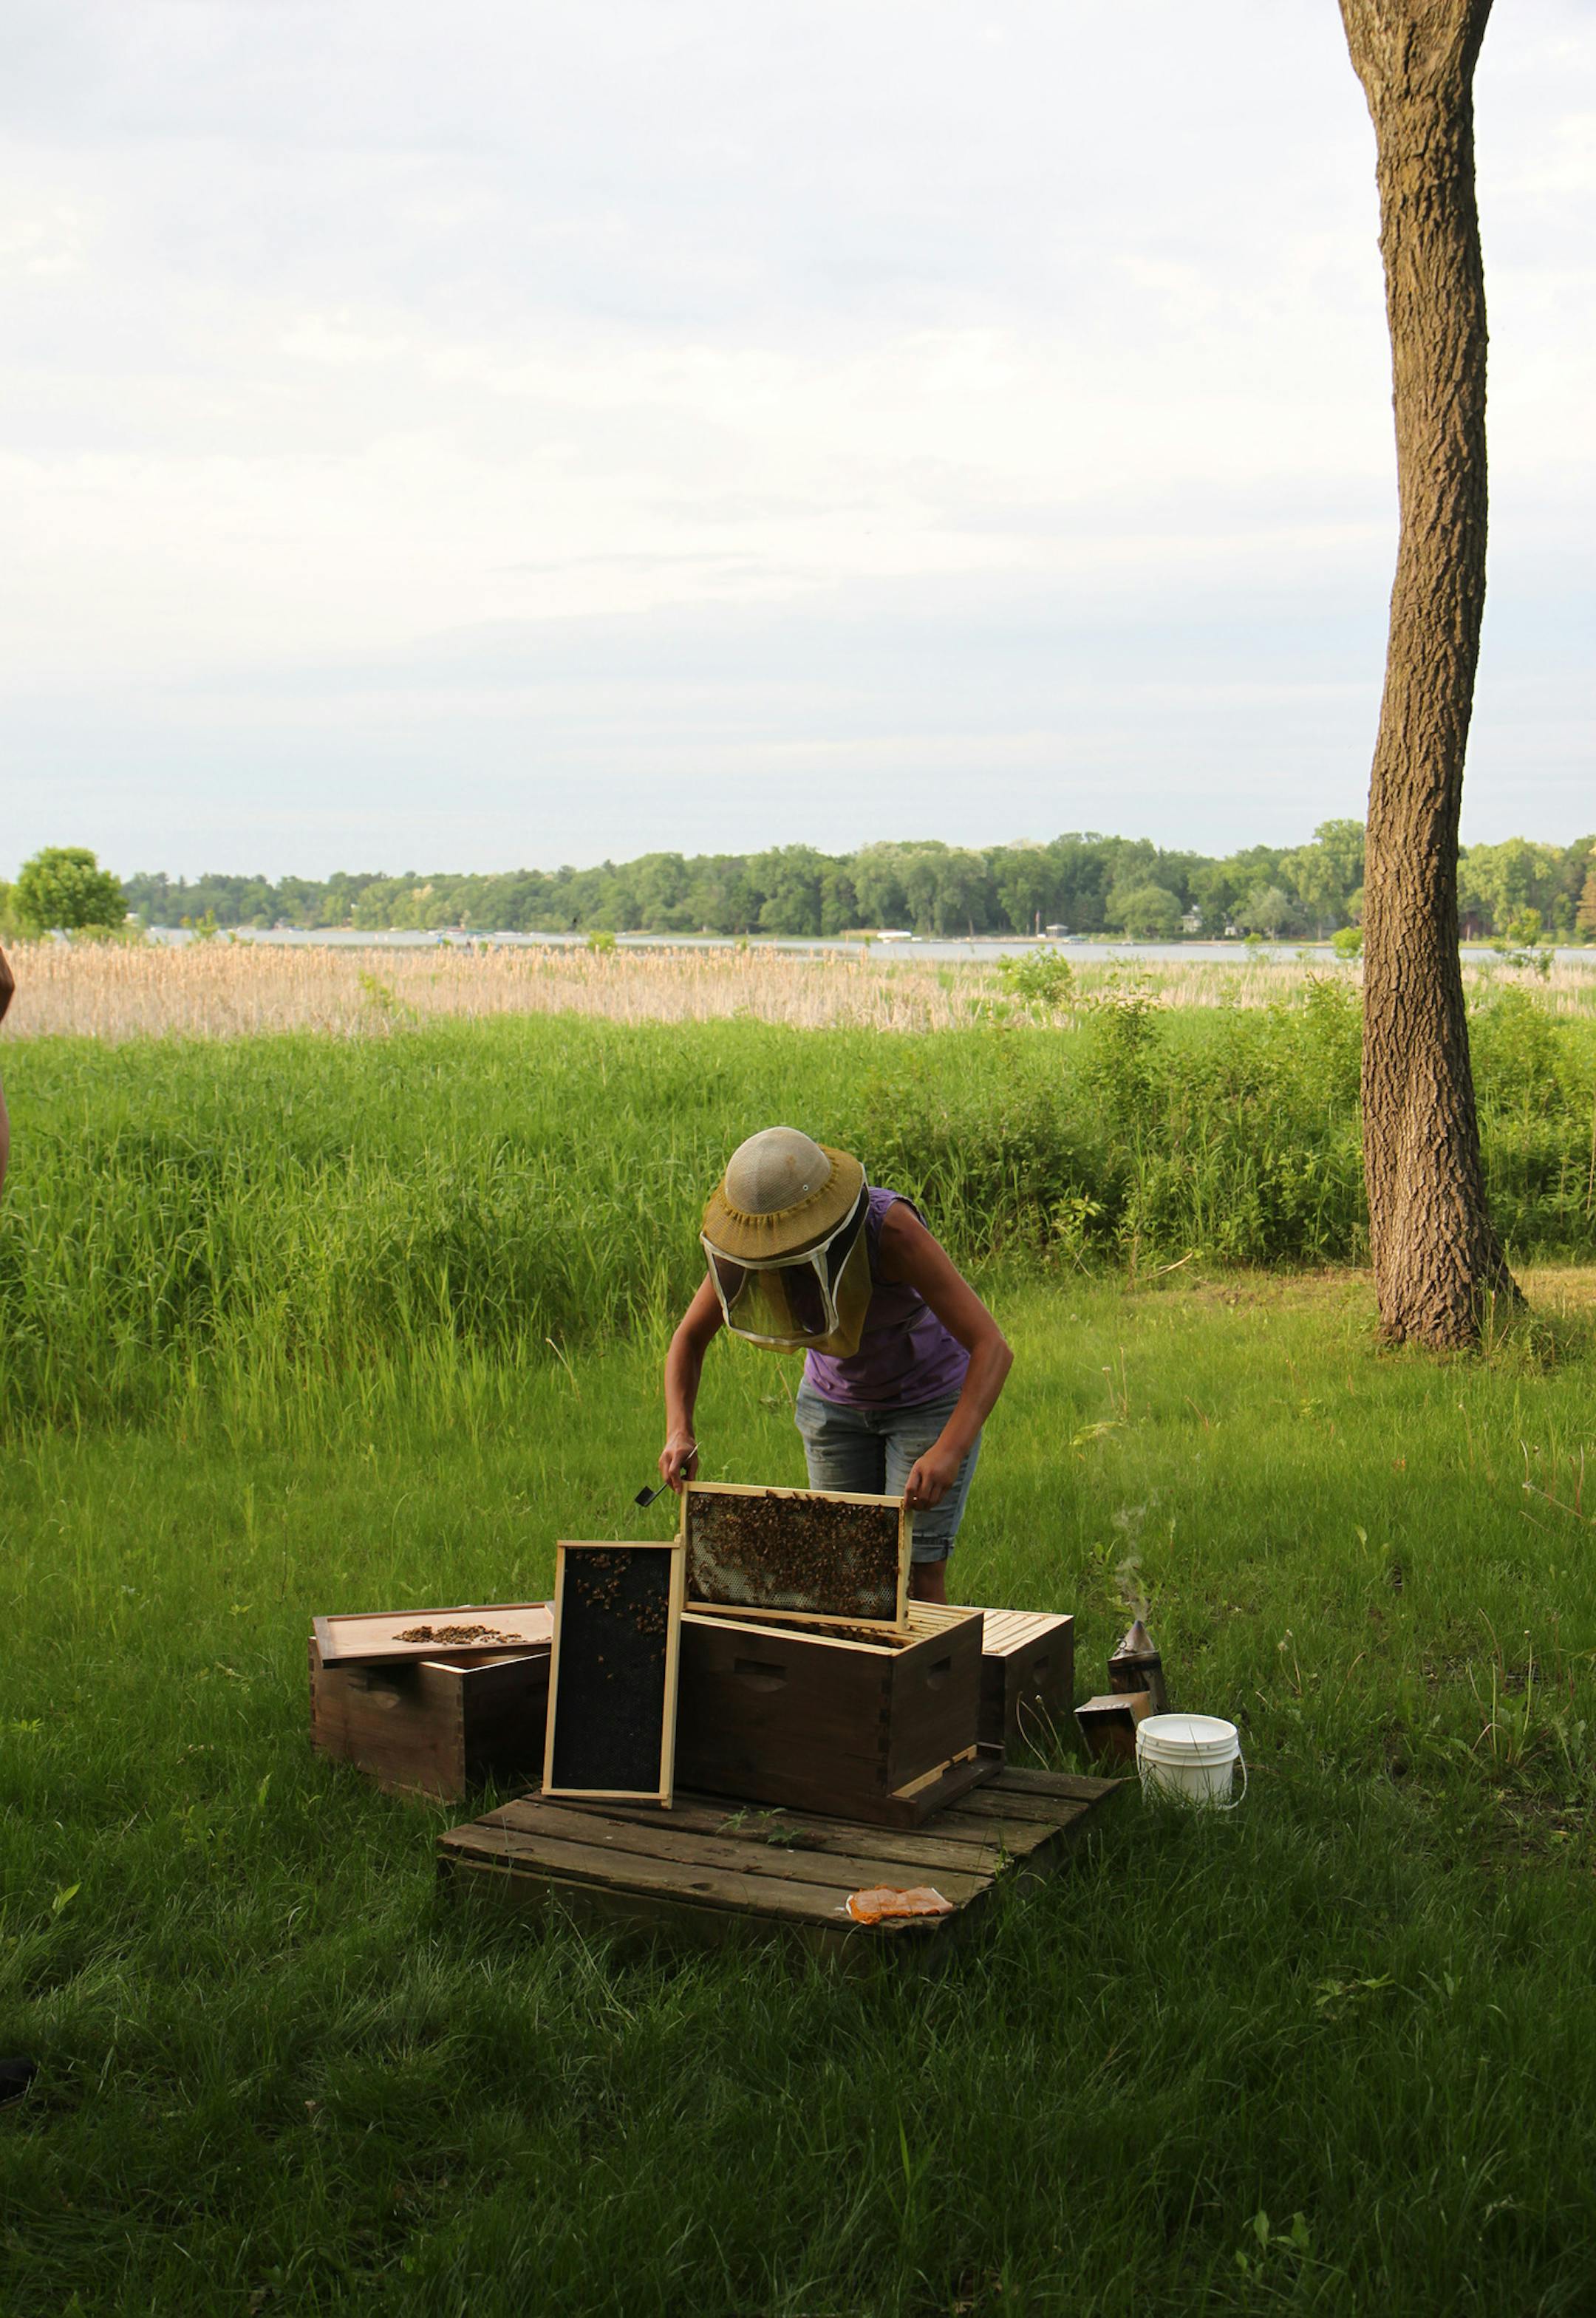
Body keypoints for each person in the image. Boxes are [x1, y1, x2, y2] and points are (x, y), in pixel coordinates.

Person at [659, 1126, 1012, 1602]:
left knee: (917, 1569)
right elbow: (689, 1338)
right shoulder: (749, 1247)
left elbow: (992, 1346)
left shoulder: (892, 1231)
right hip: (832, 1409)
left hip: (924, 1402)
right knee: (846, 1570)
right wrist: (679, 1429)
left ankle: (929, 1675)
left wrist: (949, 1450)